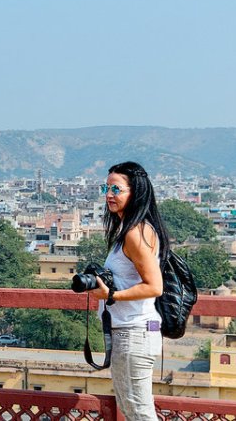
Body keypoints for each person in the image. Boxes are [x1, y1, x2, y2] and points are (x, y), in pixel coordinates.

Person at [78, 161, 169, 421]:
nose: (109, 195)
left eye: (116, 189)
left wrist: (111, 295)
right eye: (106, 188)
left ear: (135, 192)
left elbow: (155, 286)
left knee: (139, 413)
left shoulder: (134, 233)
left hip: (133, 333)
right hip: (133, 332)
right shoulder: (134, 229)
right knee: (135, 411)